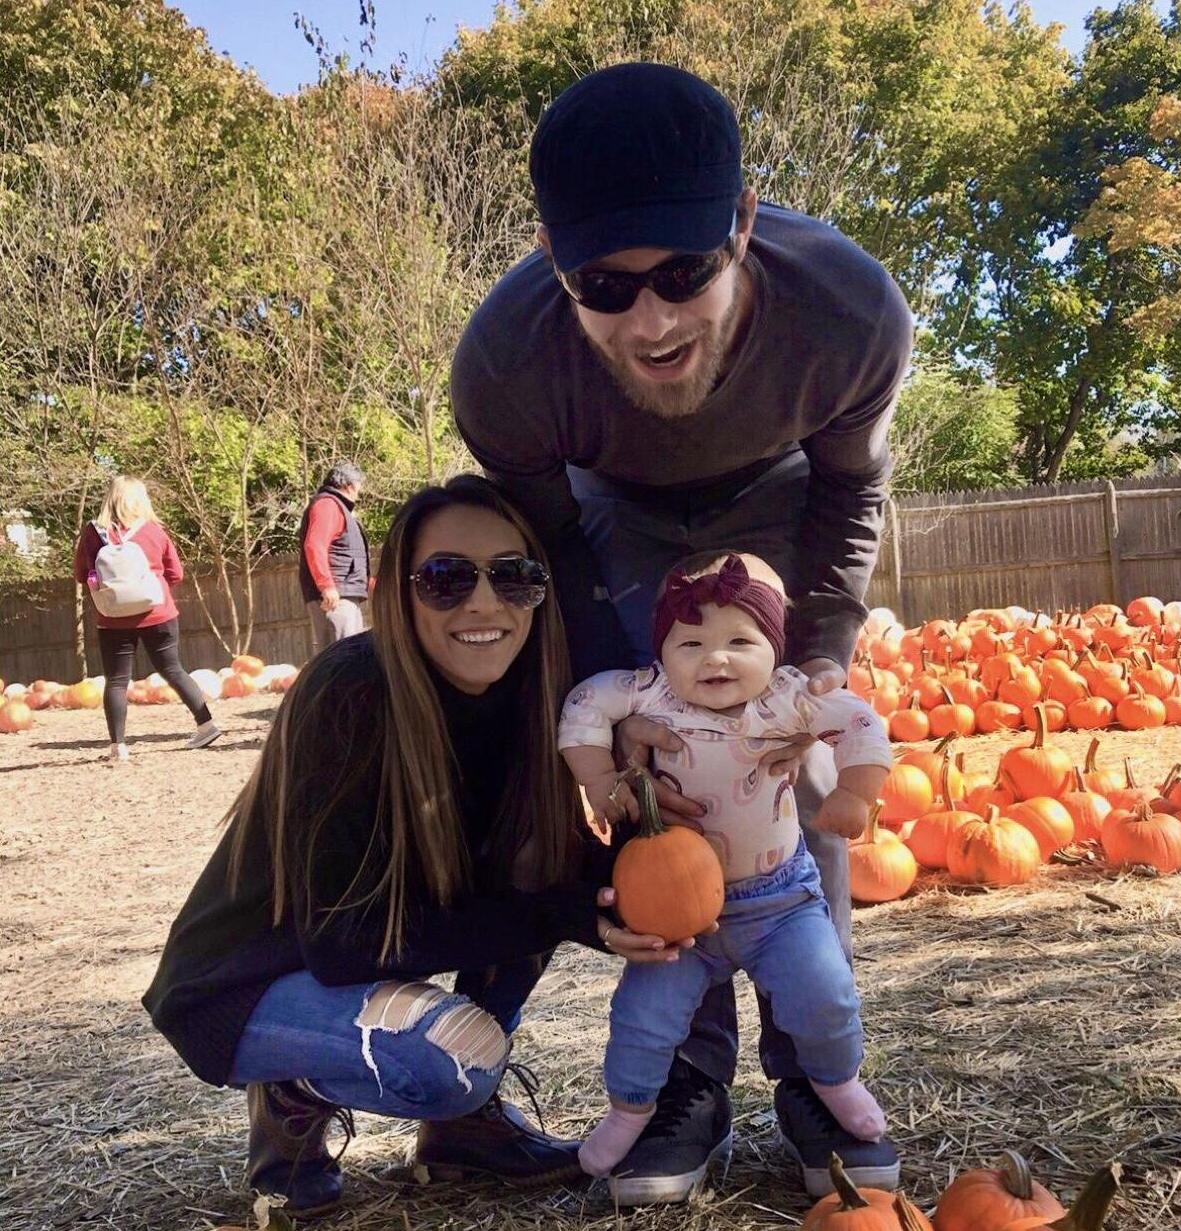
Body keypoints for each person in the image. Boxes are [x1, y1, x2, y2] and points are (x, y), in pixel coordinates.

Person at [451, 62, 913, 1201]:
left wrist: (818, 657)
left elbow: (850, 491)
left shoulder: (848, 313)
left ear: (742, 225)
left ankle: (817, 1069)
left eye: (683, 272)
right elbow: (556, 548)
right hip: (609, 510)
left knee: (788, 758)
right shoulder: (505, 366)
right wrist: (624, 712)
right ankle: (685, 1085)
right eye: (604, 286)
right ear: (552, 260)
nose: (650, 321)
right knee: (671, 771)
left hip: (781, 490)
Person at [142, 475, 693, 1218]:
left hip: (365, 954)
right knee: (449, 1061)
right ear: (400, 594)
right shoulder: (349, 691)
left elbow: (543, 876)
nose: (484, 602)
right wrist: (564, 912)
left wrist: (638, 867)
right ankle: (292, 1091)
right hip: (250, 979)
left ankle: (462, 1137)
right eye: (446, 578)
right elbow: (343, 943)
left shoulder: (535, 695)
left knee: (534, 886)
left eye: (514, 576)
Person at [558, 552, 892, 1182]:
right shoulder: (647, 691)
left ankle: (834, 1082)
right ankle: (630, 1110)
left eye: (741, 641)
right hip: (681, 910)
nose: (716, 659)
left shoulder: (788, 696)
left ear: (775, 648)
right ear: (662, 651)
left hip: (781, 902)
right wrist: (600, 777)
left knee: (824, 994)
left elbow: (861, 722)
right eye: (691, 643)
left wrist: (855, 790)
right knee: (642, 1018)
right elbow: (582, 705)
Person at [72, 475, 220, 761]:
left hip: (113, 618)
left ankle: (118, 746)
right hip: (158, 613)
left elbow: (81, 574)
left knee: (116, 681)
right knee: (174, 669)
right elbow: (176, 573)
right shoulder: (153, 531)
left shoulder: (93, 533)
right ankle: (207, 725)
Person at [298, 462, 372, 654]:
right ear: (349, 485)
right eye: (359, 486)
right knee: (341, 657)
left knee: (352, 655)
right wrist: (326, 586)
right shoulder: (328, 505)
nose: (359, 492)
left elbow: (349, 557)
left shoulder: (339, 508)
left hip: (344, 594)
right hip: (334, 598)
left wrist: (372, 583)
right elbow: (315, 545)